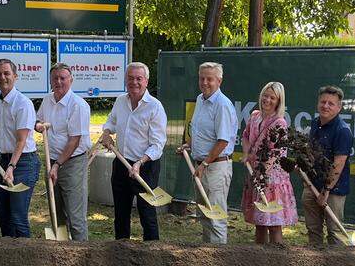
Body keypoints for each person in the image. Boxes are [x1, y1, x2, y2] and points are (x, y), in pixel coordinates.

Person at [99, 62, 167, 241]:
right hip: (122, 163)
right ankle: (121, 251)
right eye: (130, 78)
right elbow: (111, 122)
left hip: (145, 166)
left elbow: (158, 144)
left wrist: (140, 162)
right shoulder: (121, 101)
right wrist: (106, 133)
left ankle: (152, 252)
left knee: (147, 212)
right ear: (125, 80)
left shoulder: (155, 107)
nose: (134, 82)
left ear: (146, 81)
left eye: (139, 78)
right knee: (121, 212)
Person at [178, 62, 236, 244]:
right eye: (202, 78)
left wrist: (204, 164)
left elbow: (223, 140)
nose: (205, 82)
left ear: (219, 80)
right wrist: (189, 145)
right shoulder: (201, 99)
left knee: (215, 218)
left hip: (215, 167)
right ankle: (206, 260)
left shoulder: (222, 105)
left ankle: (219, 261)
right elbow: (201, 132)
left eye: (209, 79)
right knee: (204, 214)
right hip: (202, 166)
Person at [0, 58, 39, 237]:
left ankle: (25, 258)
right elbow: (3, 129)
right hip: (3, 161)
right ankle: (7, 258)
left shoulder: (23, 103)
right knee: (4, 215)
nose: (2, 77)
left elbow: (21, 141)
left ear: (15, 76)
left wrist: (12, 167)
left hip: (22, 164)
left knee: (17, 216)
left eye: (7, 73)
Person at [35, 63, 92, 241]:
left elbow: (75, 140)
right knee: (55, 212)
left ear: (71, 80)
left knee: (75, 216)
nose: (58, 82)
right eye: (55, 78)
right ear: (51, 80)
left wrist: (57, 165)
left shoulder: (78, 105)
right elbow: (37, 121)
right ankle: (61, 255)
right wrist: (38, 126)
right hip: (52, 160)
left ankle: (82, 256)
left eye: (63, 78)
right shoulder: (47, 100)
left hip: (72, 162)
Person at [240, 81, 298, 244]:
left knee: (274, 223)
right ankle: (260, 260)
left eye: (272, 97)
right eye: (265, 95)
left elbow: (276, 151)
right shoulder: (255, 116)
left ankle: (278, 260)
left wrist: (262, 172)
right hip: (255, 173)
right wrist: (246, 154)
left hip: (271, 179)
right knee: (259, 222)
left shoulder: (280, 123)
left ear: (279, 101)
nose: (267, 100)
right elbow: (245, 135)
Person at [305, 85, 352, 246]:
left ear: (339, 107)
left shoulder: (342, 131)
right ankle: (313, 264)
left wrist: (326, 190)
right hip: (311, 185)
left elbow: (338, 164)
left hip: (333, 190)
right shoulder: (314, 124)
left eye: (331, 103)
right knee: (313, 229)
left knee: (334, 232)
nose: (326, 106)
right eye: (323, 102)